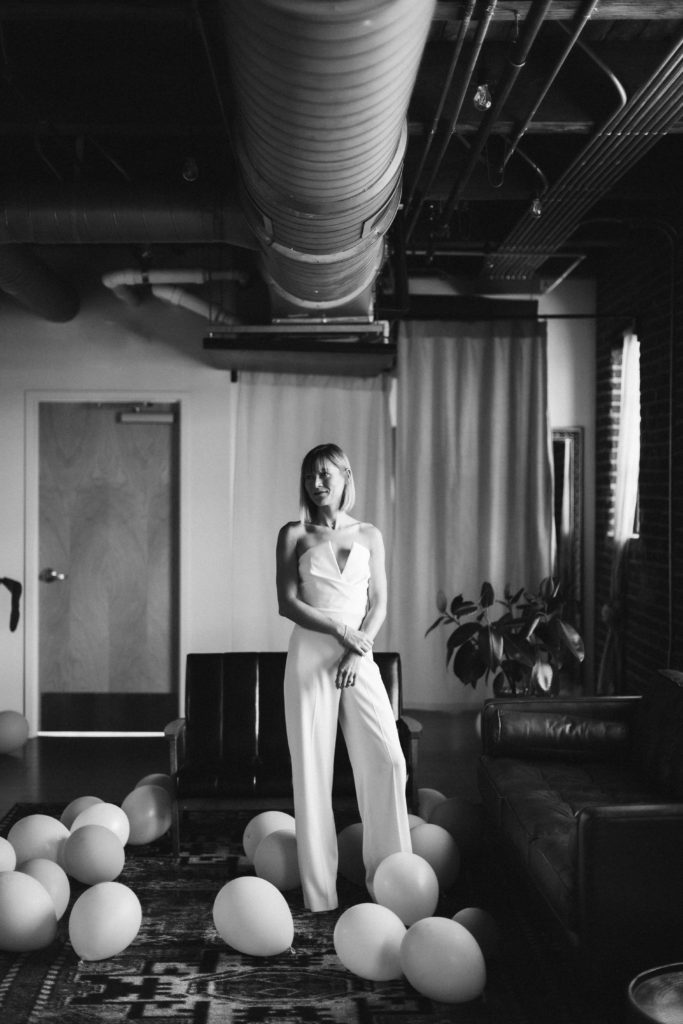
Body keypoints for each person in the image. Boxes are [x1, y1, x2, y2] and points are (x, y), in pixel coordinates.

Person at [276, 442, 411, 912]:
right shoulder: (294, 533)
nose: (317, 483)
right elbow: (287, 603)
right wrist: (340, 631)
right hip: (310, 655)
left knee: (389, 760)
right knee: (312, 772)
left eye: (325, 474)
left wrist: (359, 651)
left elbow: (381, 605)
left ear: (345, 475)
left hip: (359, 656)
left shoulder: (370, 534)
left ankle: (392, 880)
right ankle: (321, 896)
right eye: (310, 475)